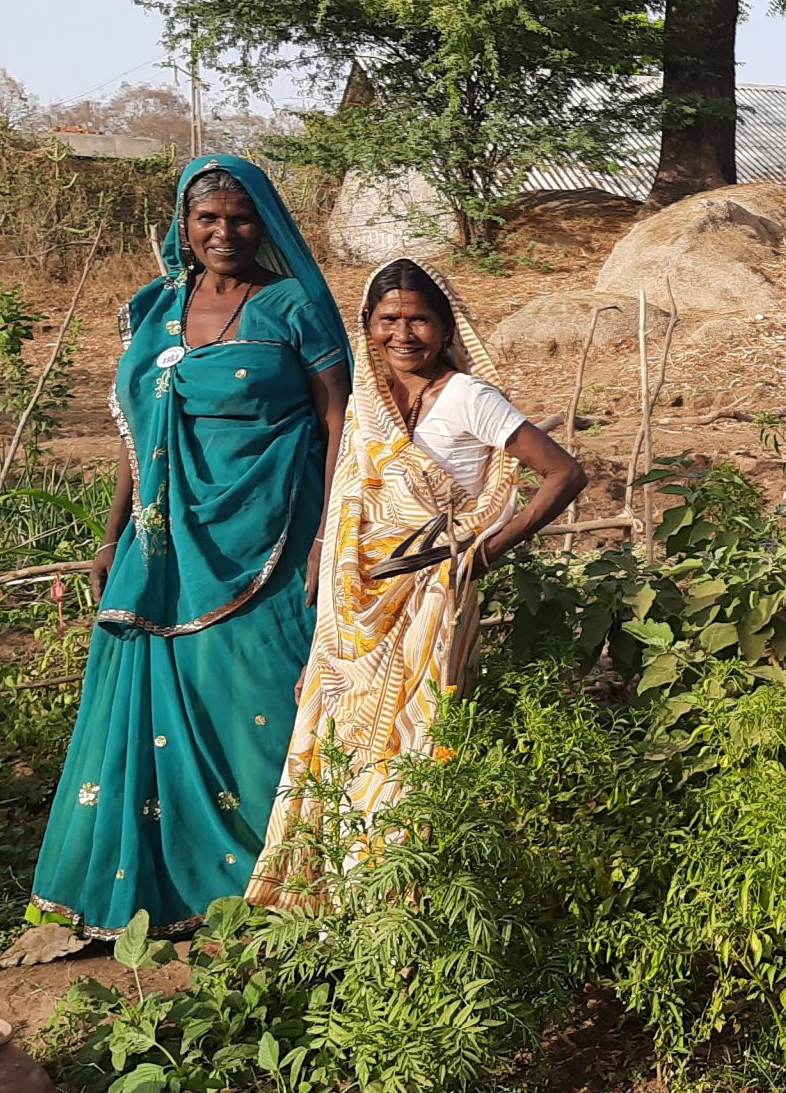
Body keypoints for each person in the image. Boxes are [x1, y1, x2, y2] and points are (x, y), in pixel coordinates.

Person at [31, 156, 351, 934]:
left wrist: (327, 536)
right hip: (161, 543)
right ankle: (152, 891)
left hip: (269, 538)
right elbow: (136, 432)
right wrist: (112, 532)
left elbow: (341, 421)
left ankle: (273, 883)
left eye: (240, 217)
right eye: (208, 218)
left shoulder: (293, 307)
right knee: (150, 701)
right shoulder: (154, 310)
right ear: (183, 224)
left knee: (261, 693)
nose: (224, 232)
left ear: (265, 222)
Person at [248, 258, 584, 905]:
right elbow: (350, 513)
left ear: (445, 324)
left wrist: (481, 554)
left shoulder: (469, 396)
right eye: (388, 319)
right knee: (340, 755)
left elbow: (564, 474)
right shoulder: (369, 405)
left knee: (409, 757)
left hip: (428, 602)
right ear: (367, 326)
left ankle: (399, 920)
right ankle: (336, 919)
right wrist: (323, 640)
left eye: (420, 319)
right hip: (355, 615)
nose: (404, 334)